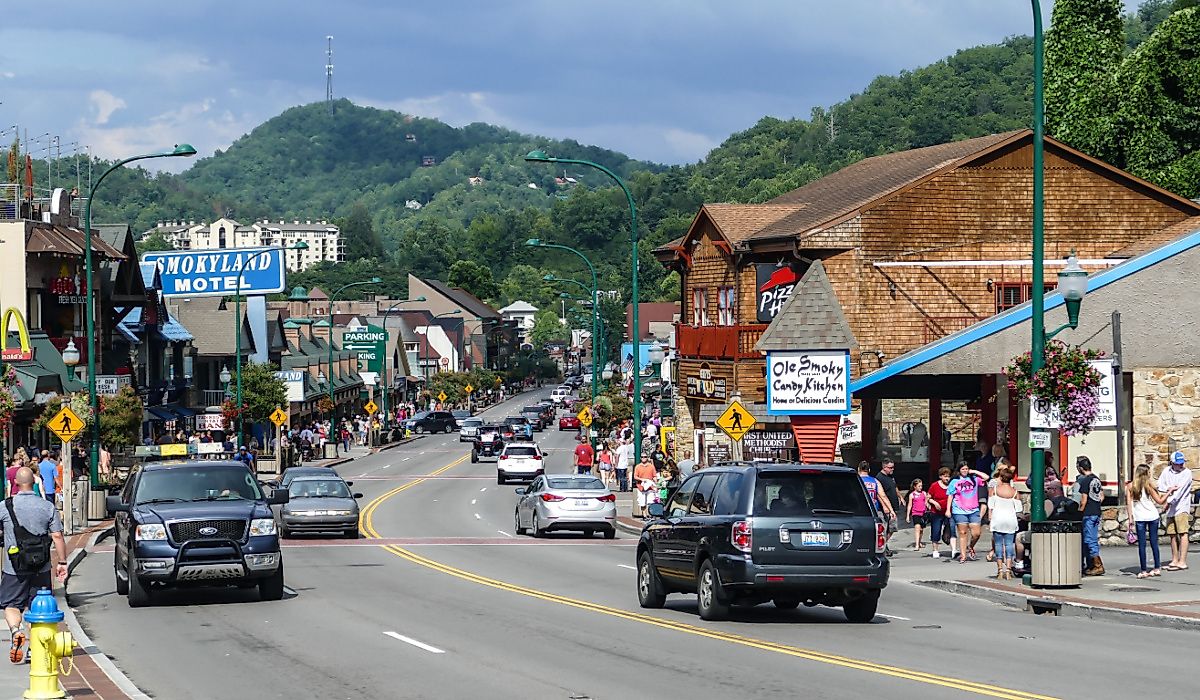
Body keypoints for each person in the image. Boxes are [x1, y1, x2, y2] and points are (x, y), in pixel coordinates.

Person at [1, 467, 68, 664]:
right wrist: (62, 562)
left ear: (15, 484)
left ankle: (16, 631)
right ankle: (34, 648)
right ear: (34, 482)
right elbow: (57, 536)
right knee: (37, 608)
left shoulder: (5, 506)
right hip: (41, 566)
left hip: (14, 568)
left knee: (11, 604)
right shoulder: (47, 507)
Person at [1127, 463, 1172, 578]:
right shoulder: (1149, 486)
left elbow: (1129, 504)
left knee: (1142, 545)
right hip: (1152, 516)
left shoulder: (1131, 486)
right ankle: (1157, 567)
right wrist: (1169, 491)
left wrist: (1130, 518)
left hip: (1140, 517)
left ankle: (1143, 570)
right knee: (1154, 543)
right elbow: (1160, 501)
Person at [1157, 451, 1194, 572]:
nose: (1181, 465)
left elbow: (1180, 491)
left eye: (1182, 463)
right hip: (1171, 509)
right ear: (1172, 463)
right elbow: (1161, 486)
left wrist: (1168, 501)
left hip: (1181, 507)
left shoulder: (1187, 473)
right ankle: (1174, 559)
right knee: (1172, 533)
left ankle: (1182, 561)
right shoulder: (1166, 471)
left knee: (1183, 532)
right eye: (1178, 464)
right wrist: (1169, 489)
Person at [947, 461, 988, 563]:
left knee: (976, 533)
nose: (965, 471)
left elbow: (986, 477)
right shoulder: (954, 481)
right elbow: (950, 495)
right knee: (962, 532)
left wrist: (974, 471)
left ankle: (970, 546)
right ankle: (963, 555)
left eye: (966, 469)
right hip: (959, 510)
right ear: (959, 470)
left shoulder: (974, 479)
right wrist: (948, 510)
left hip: (973, 510)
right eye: (962, 469)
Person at [987, 466, 1022, 580]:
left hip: (998, 519)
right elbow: (1018, 509)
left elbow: (991, 506)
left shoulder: (995, 490)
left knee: (998, 544)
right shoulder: (1015, 492)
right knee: (1009, 545)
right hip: (1010, 519)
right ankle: (1008, 569)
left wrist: (990, 518)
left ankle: (999, 570)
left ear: (1001, 478)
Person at [1076, 455, 1104, 576]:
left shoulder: (1085, 481)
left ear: (1081, 468)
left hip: (1088, 513)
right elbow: (1102, 496)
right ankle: (1092, 565)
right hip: (1097, 511)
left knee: (1089, 540)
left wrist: (1079, 511)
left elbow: (1083, 500)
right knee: (1092, 538)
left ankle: (1097, 565)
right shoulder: (1096, 479)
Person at [926, 467, 952, 559]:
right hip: (936, 512)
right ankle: (935, 550)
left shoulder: (951, 485)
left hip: (948, 511)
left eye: (948, 476)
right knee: (936, 530)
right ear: (941, 476)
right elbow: (928, 497)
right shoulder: (934, 485)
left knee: (950, 529)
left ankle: (952, 547)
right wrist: (934, 503)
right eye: (945, 476)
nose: (947, 478)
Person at [906, 479, 929, 552]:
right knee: (917, 528)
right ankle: (916, 545)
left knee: (921, 530)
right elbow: (909, 505)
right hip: (915, 513)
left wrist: (929, 507)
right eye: (919, 486)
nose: (920, 487)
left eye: (921, 486)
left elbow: (926, 502)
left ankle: (919, 542)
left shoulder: (924, 493)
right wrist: (907, 515)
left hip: (923, 513)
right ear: (915, 487)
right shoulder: (912, 495)